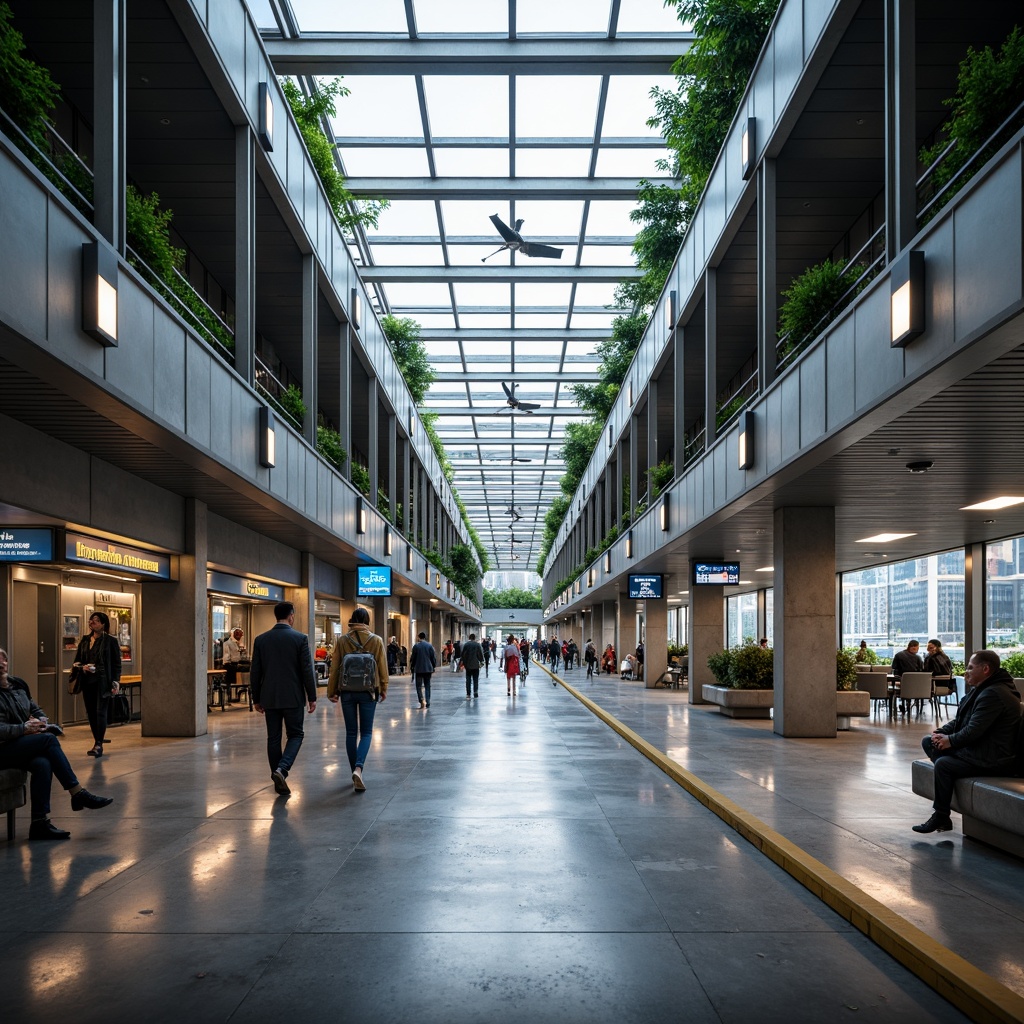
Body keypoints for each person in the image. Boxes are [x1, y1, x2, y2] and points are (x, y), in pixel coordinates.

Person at [0, 647, 112, 839]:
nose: (1, 664)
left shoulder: (17, 685)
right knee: (49, 741)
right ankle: (77, 792)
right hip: (3, 747)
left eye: (3, 660)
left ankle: (39, 824)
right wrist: (23, 728)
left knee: (42, 764)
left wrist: (42, 722)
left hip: (18, 743)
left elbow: (36, 708)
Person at [912, 649, 1021, 834]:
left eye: (970, 667)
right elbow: (962, 720)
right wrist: (941, 733)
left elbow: (973, 730)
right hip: (980, 750)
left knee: (944, 765)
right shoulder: (983, 689)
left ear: (985, 669)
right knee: (929, 742)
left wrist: (950, 741)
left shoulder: (994, 694)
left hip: (995, 758)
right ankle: (943, 811)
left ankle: (941, 815)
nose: (966, 672)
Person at [250, 601, 317, 796]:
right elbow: (307, 670)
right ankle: (282, 770)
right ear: (291, 616)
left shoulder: (261, 639)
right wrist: (311, 696)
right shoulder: (299, 639)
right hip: (293, 696)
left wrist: (256, 697)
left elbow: (256, 671)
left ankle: (277, 777)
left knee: (274, 737)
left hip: (269, 696)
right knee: (296, 735)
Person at [328, 608, 389, 791]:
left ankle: (354, 772)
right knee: (367, 733)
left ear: (352, 620)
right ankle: (359, 768)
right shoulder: (376, 640)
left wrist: (332, 691)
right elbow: (382, 667)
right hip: (368, 691)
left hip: (347, 691)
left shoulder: (342, 640)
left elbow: (335, 667)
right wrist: (383, 688)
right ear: (367, 620)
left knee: (351, 733)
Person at [71, 611, 122, 758]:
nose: (92, 622)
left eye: (96, 620)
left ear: (103, 624)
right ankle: (97, 740)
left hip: (103, 681)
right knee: (91, 712)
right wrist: (83, 667)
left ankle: (98, 744)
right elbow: (77, 661)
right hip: (87, 681)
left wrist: (116, 681)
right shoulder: (85, 640)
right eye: (91, 620)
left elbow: (116, 663)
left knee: (100, 712)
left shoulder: (110, 641)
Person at [409, 631, 436, 708]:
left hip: (419, 669)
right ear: (425, 637)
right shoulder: (429, 646)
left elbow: (413, 658)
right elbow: (433, 658)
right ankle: (428, 701)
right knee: (427, 685)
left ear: (419, 637)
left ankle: (421, 701)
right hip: (428, 669)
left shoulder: (416, 646)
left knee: (418, 686)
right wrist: (433, 666)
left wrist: (412, 666)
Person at [461, 633, 486, 698]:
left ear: (469, 638)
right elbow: (480, 654)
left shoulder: (466, 645)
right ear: (474, 638)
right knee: (475, 679)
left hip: (468, 665)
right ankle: (475, 692)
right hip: (475, 665)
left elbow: (463, 654)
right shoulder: (477, 645)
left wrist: (463, 663)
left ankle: (468, 694)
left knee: (468, 679)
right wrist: (481, 660)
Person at [223, 627, 245, 693]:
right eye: (237, 634)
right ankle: (229, 695)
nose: (239, 636)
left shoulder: (238, 643)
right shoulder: (227, 643)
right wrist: (227, 663)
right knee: (230, 681)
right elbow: (227, 654)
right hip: (230, 665)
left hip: (237, 664)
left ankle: (238, 693)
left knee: (238, 681)